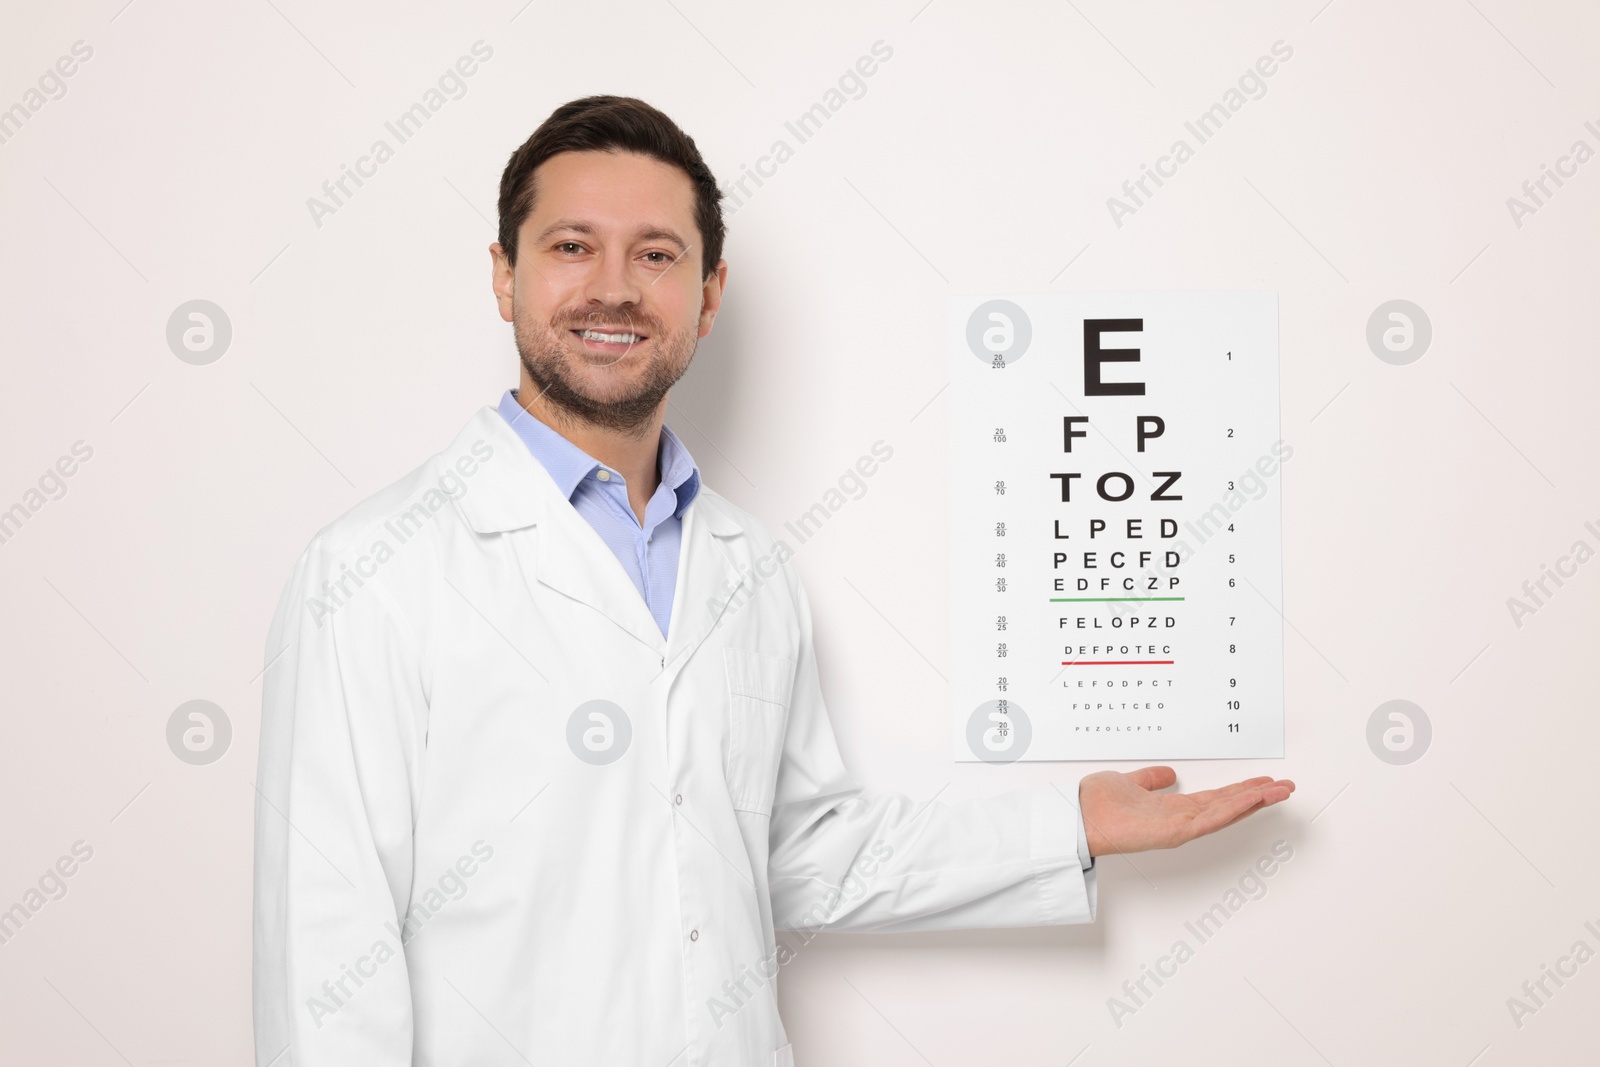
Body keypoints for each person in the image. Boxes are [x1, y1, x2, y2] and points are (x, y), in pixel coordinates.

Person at [252, 95, 1294, 1067]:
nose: (612, 286)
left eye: (655, 254)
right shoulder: (372, 572)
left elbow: (799, 852)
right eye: (572, 246)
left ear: (706, 296)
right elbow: (324, 957)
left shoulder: (751, 570)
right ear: (503, 273)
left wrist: (1069, 822)